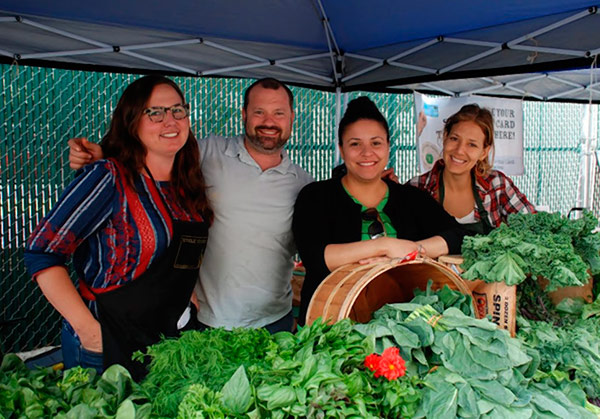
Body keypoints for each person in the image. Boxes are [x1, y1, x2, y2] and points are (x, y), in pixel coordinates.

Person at [67, 78, 314, 333]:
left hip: (275, 322)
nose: (268, 122)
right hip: (204, 322)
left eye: (279, 113)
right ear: (244, 114)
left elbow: (314, 250)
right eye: (259, 112)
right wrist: (105, 155)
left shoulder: (304, 185)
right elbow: (149, 157)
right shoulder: (207, 153)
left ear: (292, 117)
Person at [25, 75, 211, 380]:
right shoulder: (107, 177)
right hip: (107, 338)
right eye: (155, 112)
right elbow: (41, 252)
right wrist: (89, 331)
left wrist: (186, 295)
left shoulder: (185, 184)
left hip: (163, 340)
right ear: (132, 121)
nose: (171, 121)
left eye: (178, 110)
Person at [292, 97, 468, 324]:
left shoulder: (411, 198)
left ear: (387, 147)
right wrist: (383, 246)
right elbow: (314, 256)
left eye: (376, 143)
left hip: (403, 330)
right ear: (341, 149)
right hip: (330, 324)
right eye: (355, 144)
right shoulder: (316, 196)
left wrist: (415, 249)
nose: (367, 153)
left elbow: (459, 236)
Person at [409, 104, 535, 234]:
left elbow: (534, 225)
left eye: (472, 145)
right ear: (445, 137)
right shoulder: (418, 187)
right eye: (454, 139)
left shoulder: (497, 184)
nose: (459, 150)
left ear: (484, 152)